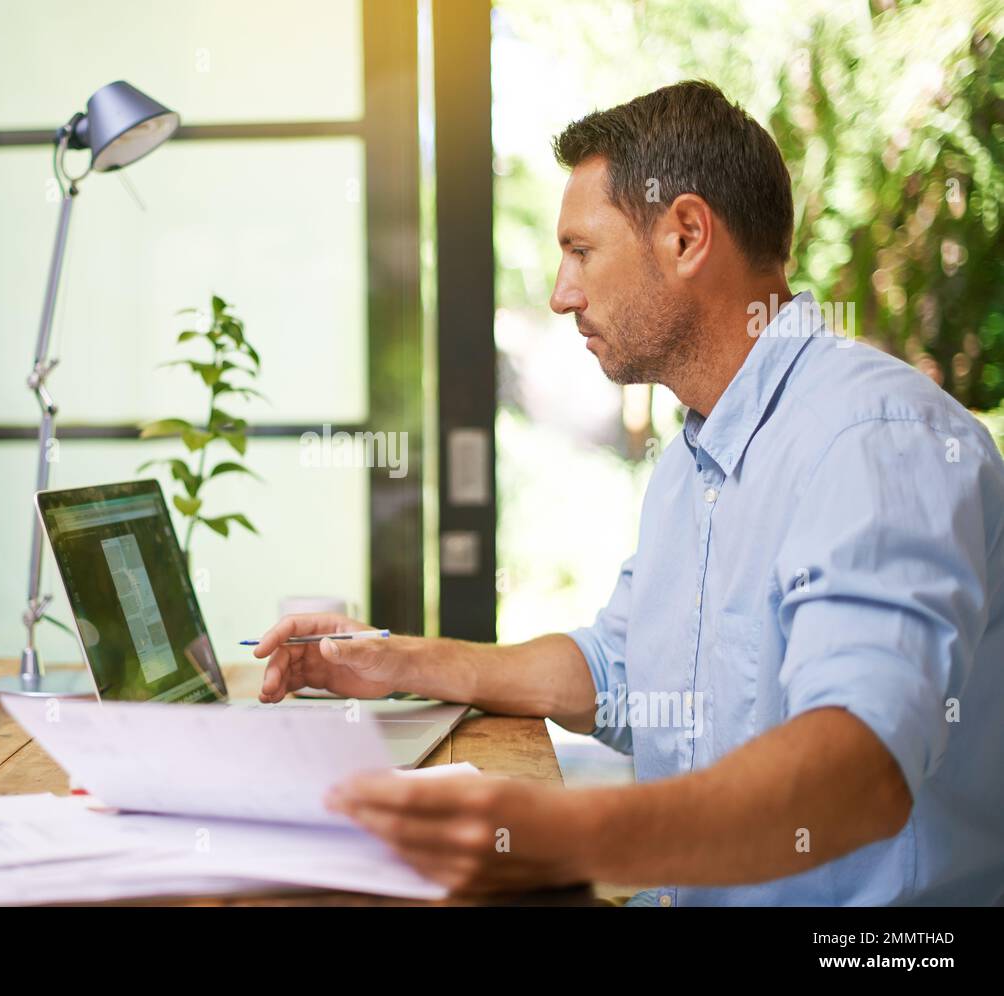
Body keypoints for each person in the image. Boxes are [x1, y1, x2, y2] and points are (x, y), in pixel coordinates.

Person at [253, 81, 1004, 906]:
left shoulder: (874, 440)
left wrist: (557, 836)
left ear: (685, 235)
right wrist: (393, 659)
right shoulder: (696, 455)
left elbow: (861, 769)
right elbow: (615, 671)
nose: (561, 292)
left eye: (581, 250)